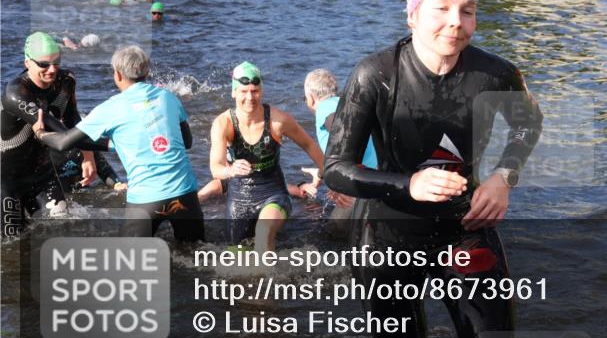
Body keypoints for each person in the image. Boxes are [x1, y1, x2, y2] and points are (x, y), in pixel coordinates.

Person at [323, 0, 543, 338]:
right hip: (387, 239)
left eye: (467, 12)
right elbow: (336, 168)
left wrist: (504, 177)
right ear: (413, 13)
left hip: (465, 227)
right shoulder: (376, 75)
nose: (455, 23)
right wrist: (410, 184)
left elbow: (529, 122)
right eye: (441, 9)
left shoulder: (495, 74)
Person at [33, 45, 204, 242]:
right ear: (146, 71)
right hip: (185, 195)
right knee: (196, 254)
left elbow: (63, 143)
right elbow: (187, 142)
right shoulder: (168, 97)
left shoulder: (111, 108)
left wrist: (40, 133)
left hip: (146, 200)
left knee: (126, 262)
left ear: (118, 75)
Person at [208, 61, 335, 252]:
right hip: (239, 199)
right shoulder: (223, 123)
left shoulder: (277, 120)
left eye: (255, 91)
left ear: (262, 91)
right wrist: (230, 169)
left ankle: (270, 280)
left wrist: (334, 180)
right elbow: (215, 167)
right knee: (236, 255)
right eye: (244, 91)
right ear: (234, 92)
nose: (250, 97)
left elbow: (309, 144)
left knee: (264, 230)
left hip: (273, 194)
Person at [1, 33, 106, 238]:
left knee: (65, 233)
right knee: (12, 248)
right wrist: (116, 143)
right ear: (27, 63)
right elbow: (61, 132)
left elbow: (73, 120)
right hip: (6, 181)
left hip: (42, 174)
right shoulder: (15, 94)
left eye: (56, 62)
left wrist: (88, 156)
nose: (52, 70)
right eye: (44, 64)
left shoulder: (66, 81)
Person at [303, 68, 376, 169]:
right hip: (375, 165)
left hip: (360, 172)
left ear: (310, 98)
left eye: (305, 99)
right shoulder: (344, 102)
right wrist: (321, 173)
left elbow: (339, 126)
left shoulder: (323, 108)